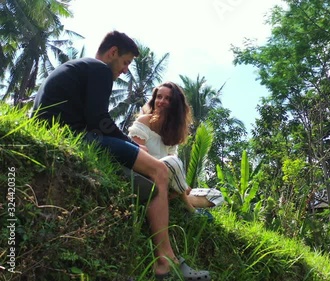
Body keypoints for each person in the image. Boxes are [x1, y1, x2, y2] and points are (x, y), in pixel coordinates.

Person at [31, 31, 210, 281]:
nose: (125, 70)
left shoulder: (80, 67)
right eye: (125, 62)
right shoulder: (99, 69)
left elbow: (92, 119)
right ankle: (165, 262)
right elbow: (100, 120)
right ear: (112, 53)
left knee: (149, 175)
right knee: (159, 170)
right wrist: (132, 146)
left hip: (61, 131)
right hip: (73, 135)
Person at [128, 82, 224, 215]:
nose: (161, 101)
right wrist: (181, 184)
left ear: (175, 105)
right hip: (146, 176)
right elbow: (137, 155)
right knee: (173, 161)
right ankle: (189, 207)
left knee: (217, 195)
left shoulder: (172, 133)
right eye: (159, 97)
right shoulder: (144, 121)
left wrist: (181, 185)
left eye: (168, 99)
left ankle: (173, 198)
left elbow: (173, 166)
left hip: (168, 183)